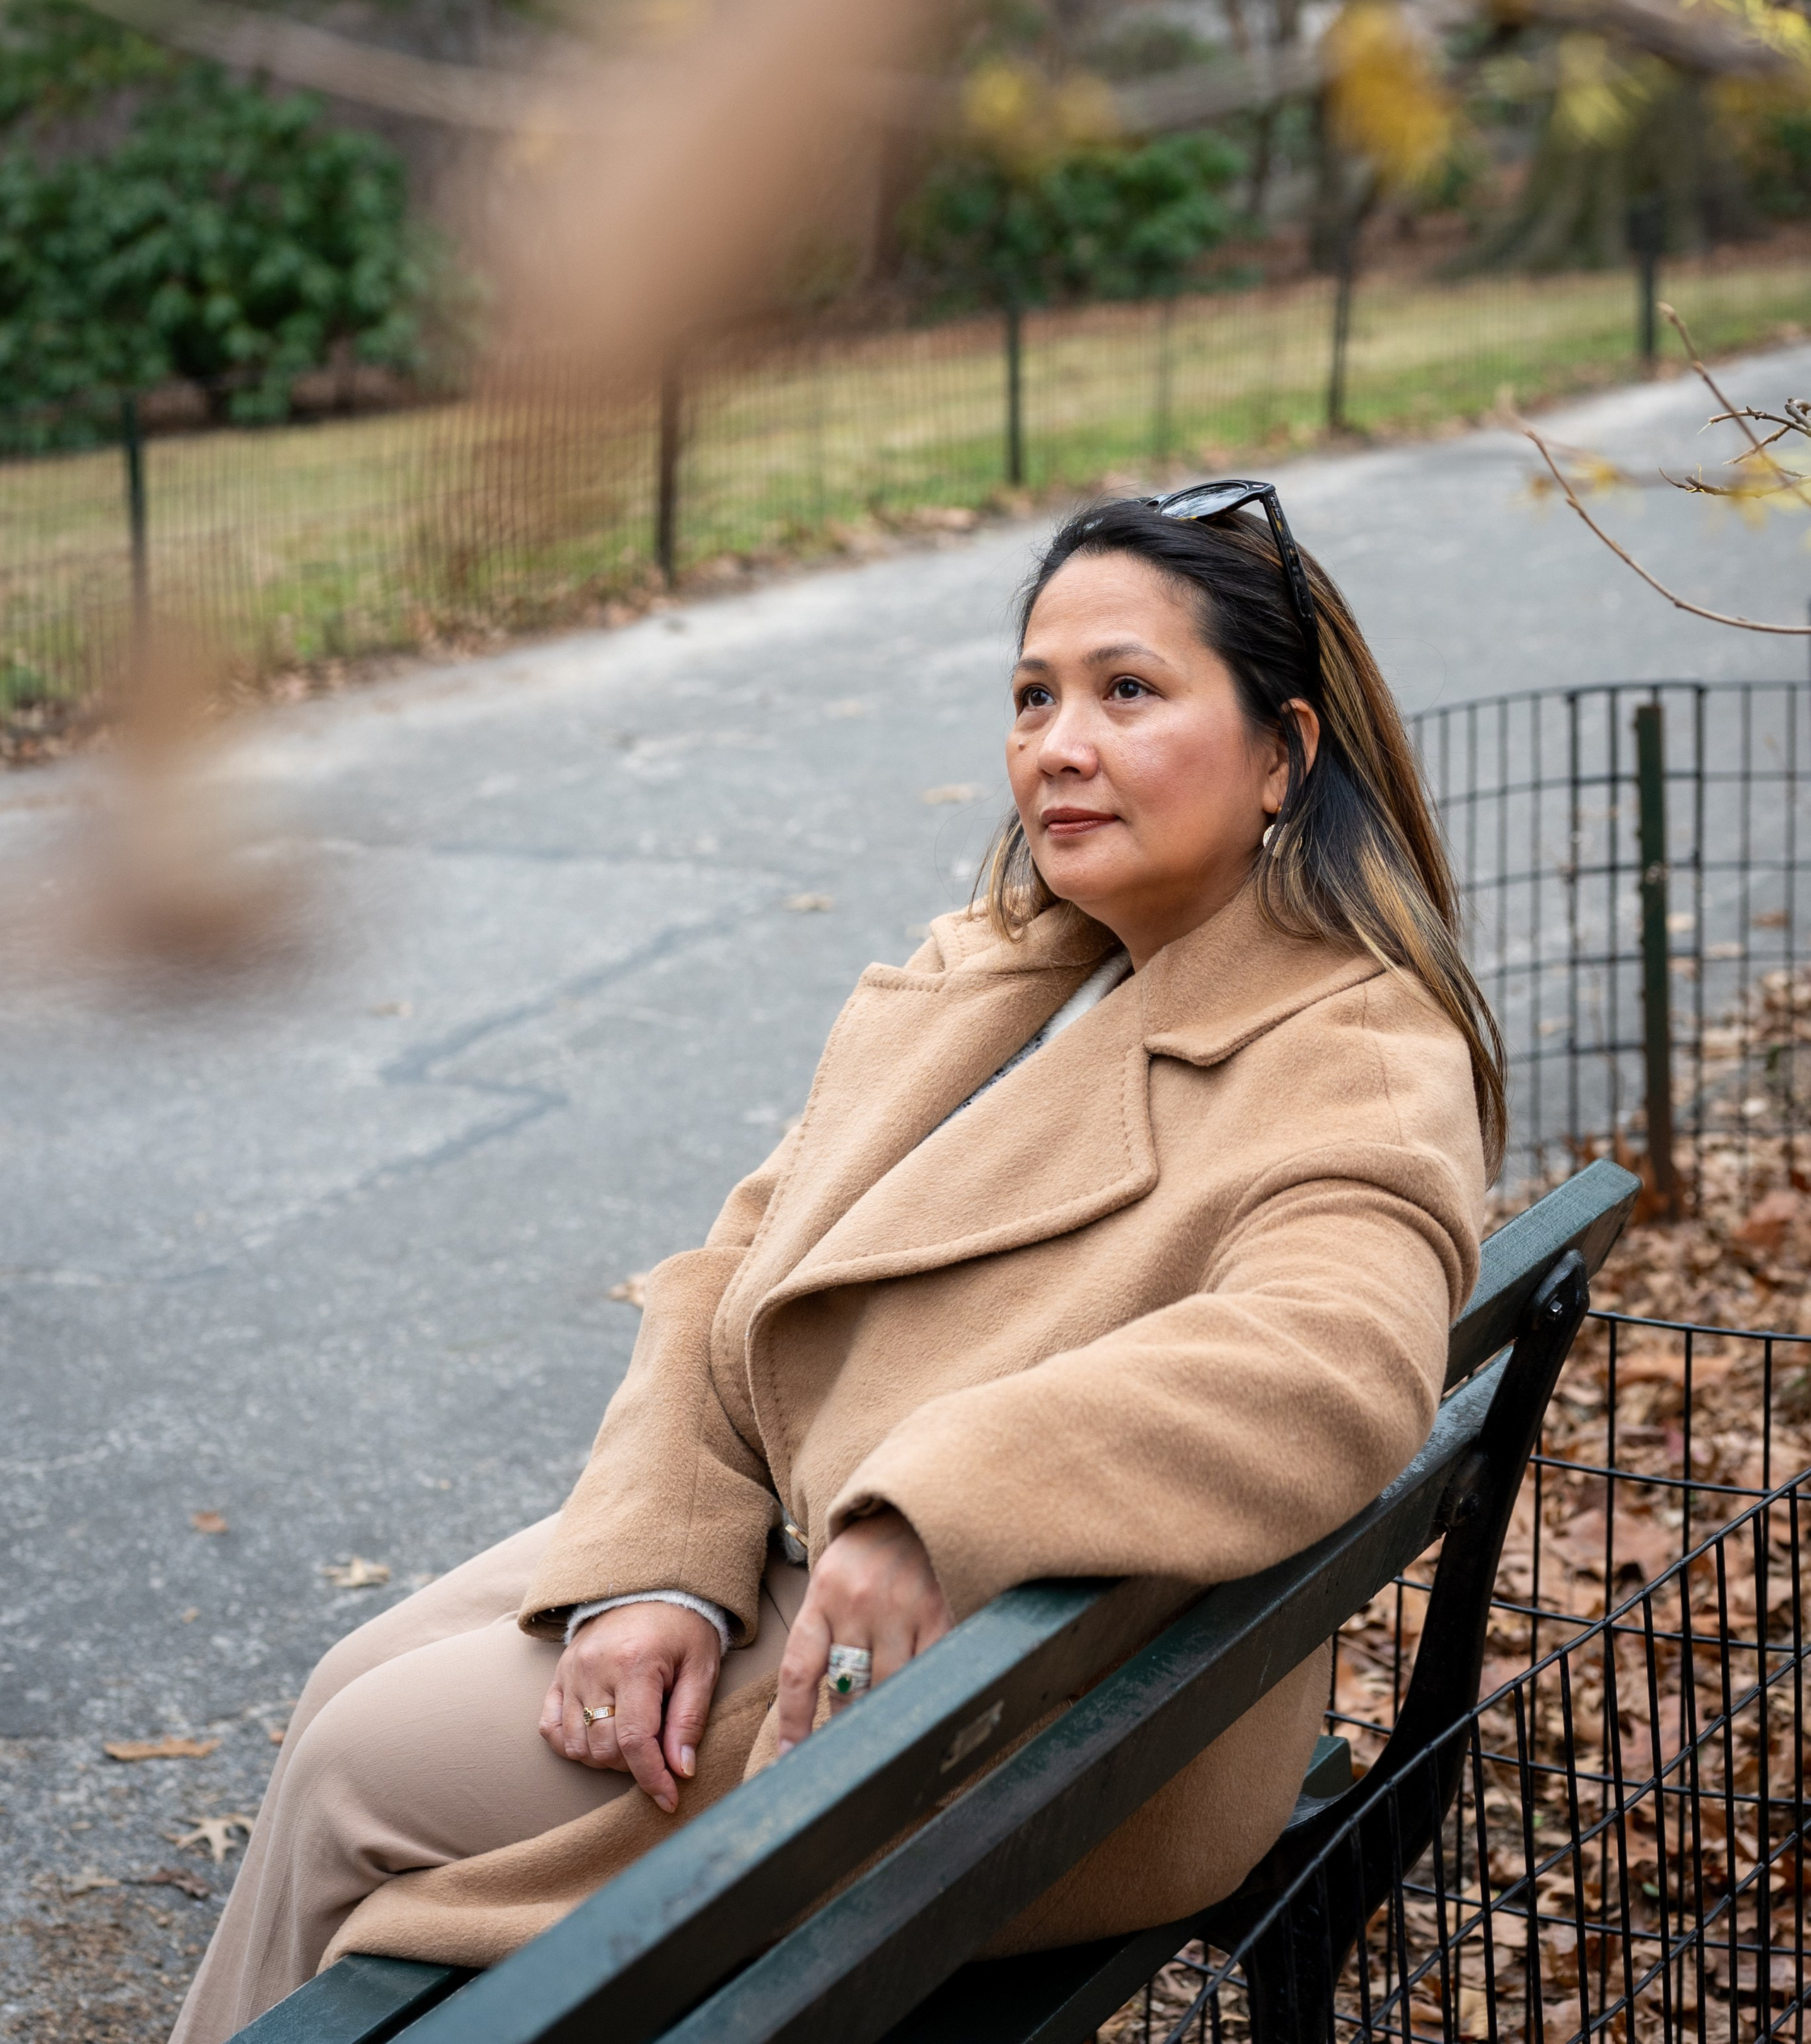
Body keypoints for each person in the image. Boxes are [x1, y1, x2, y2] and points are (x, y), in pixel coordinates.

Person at [172, 485, 1503, 2044]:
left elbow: (1324, 1366)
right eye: (1031, 695)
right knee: (350, 1684)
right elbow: (741, 1265)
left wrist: (937, 1503)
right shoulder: (997, 972)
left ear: (1281, 751)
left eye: (1125, 691)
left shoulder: (1348, 1045)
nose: (1053, 746)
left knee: (359, 1781)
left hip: (1029, 1698)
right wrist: (664, 1562)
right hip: (828, 1572)